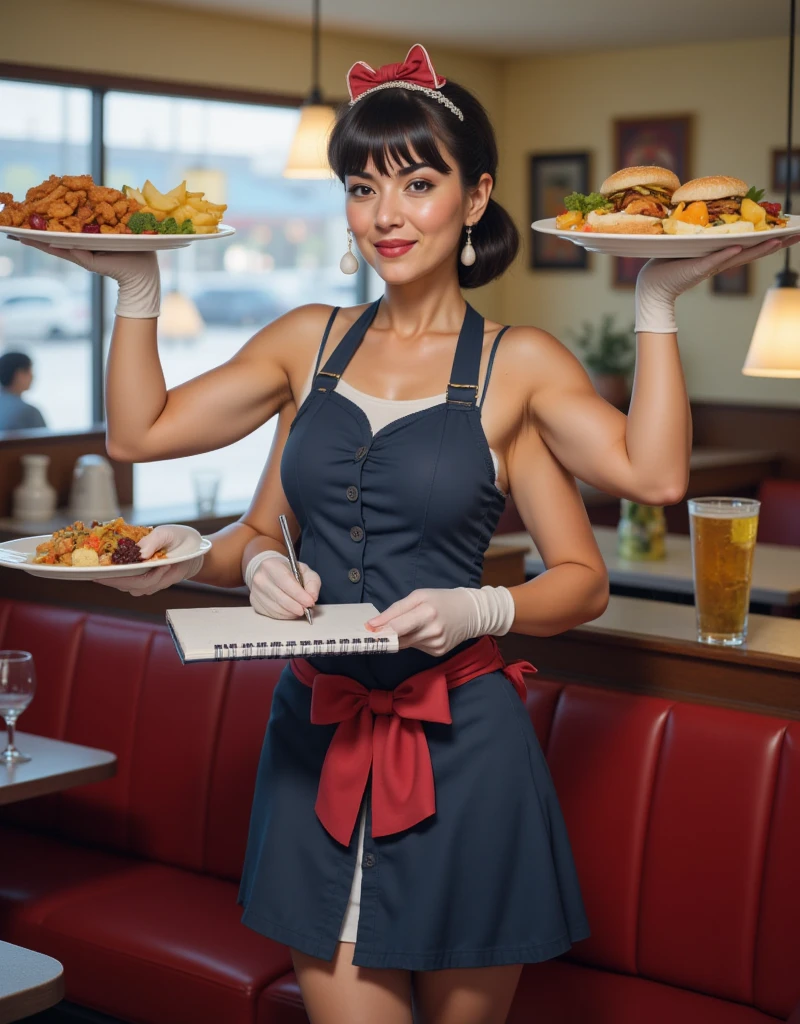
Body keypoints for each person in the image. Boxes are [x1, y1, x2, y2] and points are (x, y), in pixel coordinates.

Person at [17, 43, 799, 1024]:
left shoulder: (516, 364)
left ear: (473, 197)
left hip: (465, 752)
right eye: (360, 187)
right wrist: (138, 294)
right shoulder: (310, 343)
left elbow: (629, 509)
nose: (384, 216)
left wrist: (652, 303)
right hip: (313, 738)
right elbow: (153, 441)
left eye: (416, 183)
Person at [0, 351, 46, 430]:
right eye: (29, 371)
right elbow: (48, 441)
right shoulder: (28, 412)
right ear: (18, 374)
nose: (32, 376)